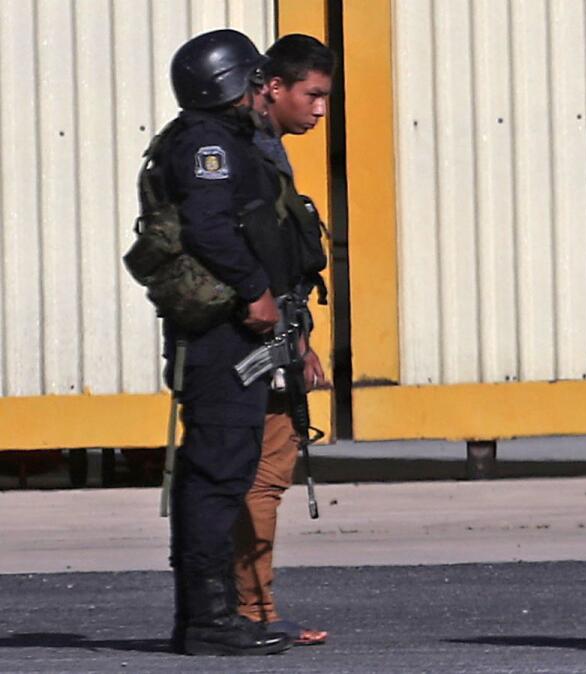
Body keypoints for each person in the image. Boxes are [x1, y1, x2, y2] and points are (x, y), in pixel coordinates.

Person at [156, 29, 293, 656]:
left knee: (220, 471)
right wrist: (253, 290)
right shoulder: (209, 142)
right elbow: (210, 227)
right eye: (254, 79)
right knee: (216, 473)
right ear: (232, 84)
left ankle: (206, 618)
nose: (263, 90)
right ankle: (208, 622)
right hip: (219, 338)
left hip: (222, 335)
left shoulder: (216, 139)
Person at [233, 33, 334, 648]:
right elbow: (264, 258)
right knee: (264, 476)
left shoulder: (260, 147)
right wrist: (292, 340)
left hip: (276, 331)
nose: (320, 110)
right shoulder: (254, 152)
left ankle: (250, 604)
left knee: (255, 474)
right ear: (274, 87)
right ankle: (255, 607)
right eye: (312, 95)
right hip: (263, 340)